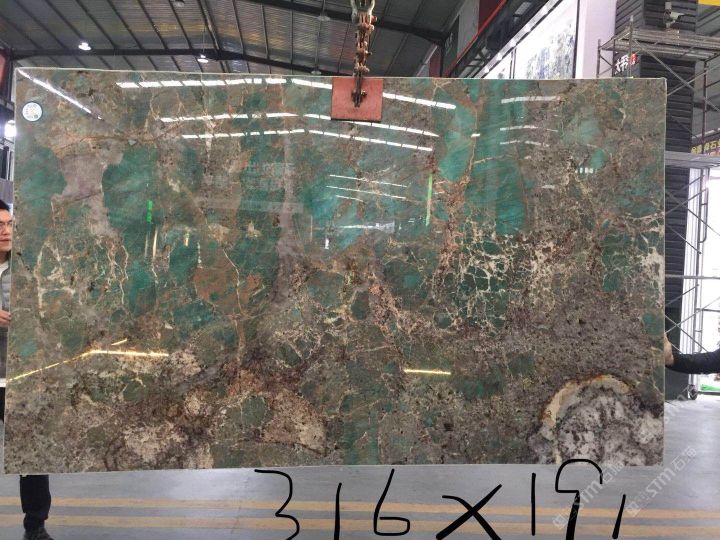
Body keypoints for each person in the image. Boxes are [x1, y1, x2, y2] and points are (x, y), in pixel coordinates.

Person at [0, 199, 54, 540]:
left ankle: (35, 525)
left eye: (9, 224)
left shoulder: (27, 268)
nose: (6, 232)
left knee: (31, 452)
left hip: (19, 376)